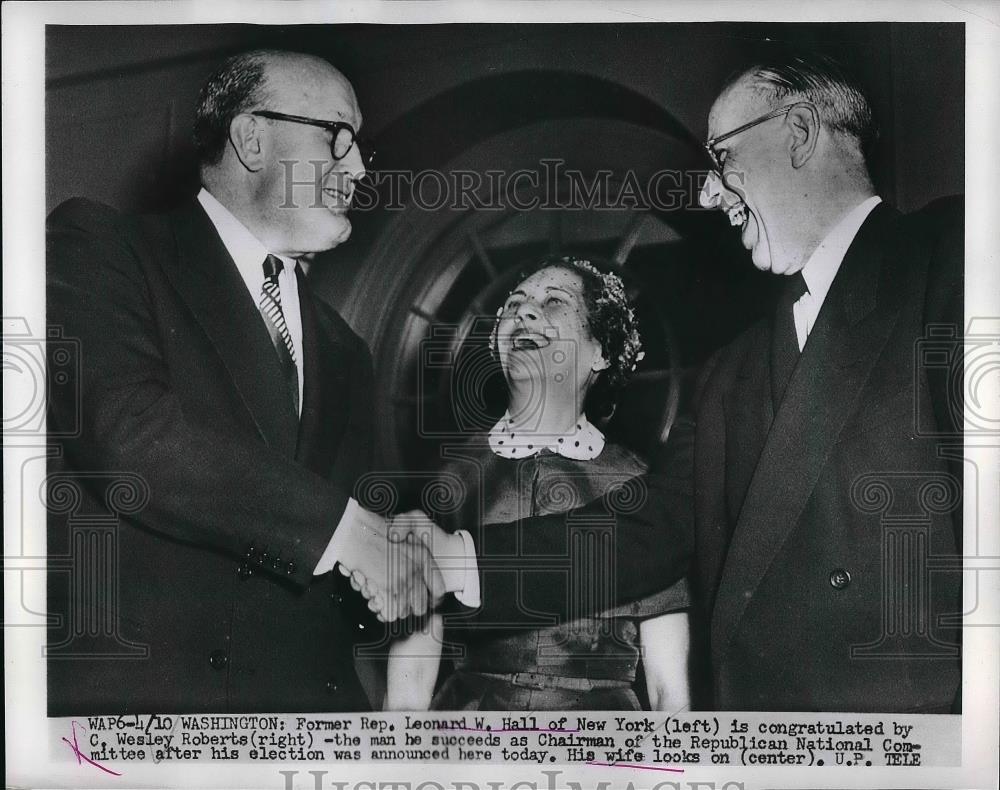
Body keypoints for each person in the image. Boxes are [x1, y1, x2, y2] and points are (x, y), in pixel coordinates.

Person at [380, 52, 963, 713]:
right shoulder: (728, 376)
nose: (710, 192)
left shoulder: (954, 254)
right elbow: (647, 532)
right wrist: (454, 558)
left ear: (798, 132)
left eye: (721, 158)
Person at [45, 49, 439, 714]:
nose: (360, 166)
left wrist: (400, 549)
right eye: (337, 137)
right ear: (251, 138)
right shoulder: (102, 246)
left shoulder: (346, 348)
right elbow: (127, 435)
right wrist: (350, 532)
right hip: (146, 729)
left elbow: (334, 587)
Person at [384, 258, 691, 711]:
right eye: (514, 304)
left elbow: (671, 694)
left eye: (553, 303)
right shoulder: (448, 483)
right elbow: (406, 695)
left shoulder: (644, 489)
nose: (525, 313)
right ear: (494, 343)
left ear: (601, 352)